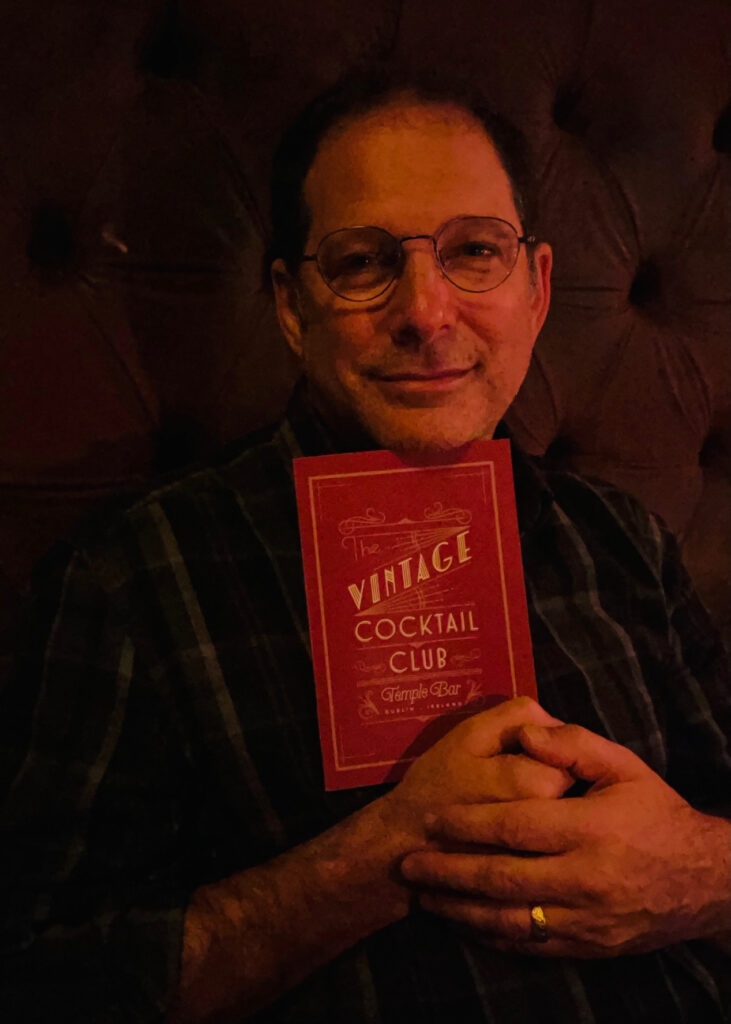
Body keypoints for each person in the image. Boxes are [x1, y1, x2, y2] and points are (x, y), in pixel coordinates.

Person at [1, 69, 729, 1024]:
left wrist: (699, 875)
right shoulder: (134, 576)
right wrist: (375, 859)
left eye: (475, 251)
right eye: (360, 262)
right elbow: (34, 976)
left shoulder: (616, 540)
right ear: (292, 305)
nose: (426, 312)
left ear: (538, 287)